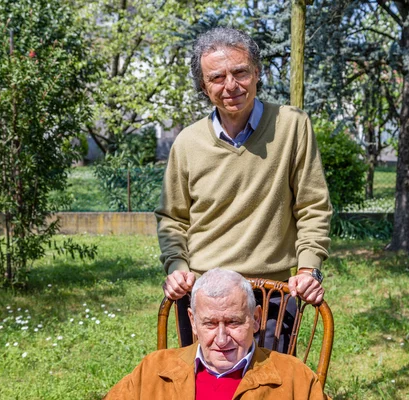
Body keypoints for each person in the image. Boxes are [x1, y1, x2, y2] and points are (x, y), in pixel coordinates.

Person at [154, 27, 332, 346]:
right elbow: (172, 218)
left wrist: (309, 270)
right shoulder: (187, 143)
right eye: (217, 78)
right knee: (204, 392)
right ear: (203, 85)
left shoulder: (293, 126)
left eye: (240, 72)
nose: (231, 86)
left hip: (271, 293)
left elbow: (313, 207)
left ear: (257, 72)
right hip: (204, 292)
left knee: (267, 391)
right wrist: (177, 267)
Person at [104, 269, 329, 400]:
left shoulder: (295, 378)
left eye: (233, 322)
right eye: (210, 324)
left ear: (256, 319)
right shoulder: (153, 371)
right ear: (192, 321)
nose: (221, 339)